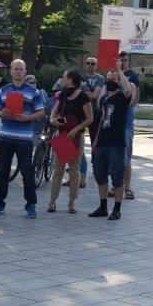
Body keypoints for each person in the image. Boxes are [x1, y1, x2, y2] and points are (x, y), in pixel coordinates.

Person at [0, 60, 45, 219]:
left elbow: (41, 112)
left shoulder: (33, 91)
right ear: (11, 71)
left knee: (27, 173)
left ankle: (31, 205)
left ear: (25, 71)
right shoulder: (4, 90)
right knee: (3, 173)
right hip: (5, 138)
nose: (19, 72)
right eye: (16, 69)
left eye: (21, 69)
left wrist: (28, 117)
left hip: (24, 139)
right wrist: (2, 114)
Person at [89, 68, 132, 220]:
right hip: (102, 142)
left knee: (117, 176)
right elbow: (101, 120)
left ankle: (117, 209)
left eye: (114, 79)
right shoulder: (105, 100)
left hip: (116, 143)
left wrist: (119, 70)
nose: (110, 82)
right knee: (100, 175)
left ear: (119, 81)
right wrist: (95, 141)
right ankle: (103, 206)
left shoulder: (122, 98)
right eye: (108, 79)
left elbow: (128, 90)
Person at [48, 70, 92, 214]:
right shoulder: (63, 94)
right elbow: (54, 111)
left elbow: (89, 119)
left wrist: (76, 129)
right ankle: (52, 202)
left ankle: (71, 203)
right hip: (62, 135)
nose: (62, 79)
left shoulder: (83, 97)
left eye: (64, 77)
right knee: (58, 170)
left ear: (71, 79)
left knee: (74, 170)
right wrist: (53, 120)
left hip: (76, 137)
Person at [79, 57, 105, 189]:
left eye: (92, 63)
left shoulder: (100, 78)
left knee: (95, 139)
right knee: (76, 138)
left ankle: (96, 165)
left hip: (94, 111)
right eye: (88, 63)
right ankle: (78, 165)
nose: (90, 65)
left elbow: (96, 95)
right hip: (80, 111)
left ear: (96, 65)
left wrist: (81, 93)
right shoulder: (80, 77)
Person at [118, 51, 140, 200]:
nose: (123, 63)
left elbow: (134, 98)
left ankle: (128, 188)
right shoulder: (112, 76)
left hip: (126, 123)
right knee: (114, 157)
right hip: (113, 124)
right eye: (120, 61)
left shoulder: (132, 77)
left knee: (126, 157)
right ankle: (116, 186)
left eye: (125, 60)